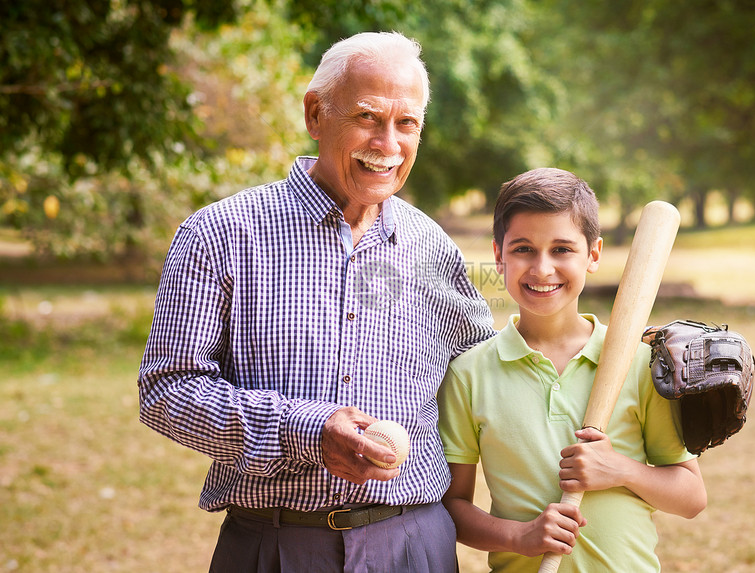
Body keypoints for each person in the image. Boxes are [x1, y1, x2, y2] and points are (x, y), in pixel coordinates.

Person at [137, 31, 496, 573]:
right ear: (315, 114)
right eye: (368, 118)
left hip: (413, 544)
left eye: (407, 124)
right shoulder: (222, 233)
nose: (388, 144)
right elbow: (166, 392)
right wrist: (304, 429)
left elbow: (488, 370)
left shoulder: (431, 246)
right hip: (276, 547)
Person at [437, 168, 707, 572]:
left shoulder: (638, 363)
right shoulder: (469, 374)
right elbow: (451, 508)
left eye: (562, 249)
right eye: (523, 249)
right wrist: (519, 536)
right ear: (498, 255)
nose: (542, 269)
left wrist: (620, 470)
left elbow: (690, 497)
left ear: (593, 254)